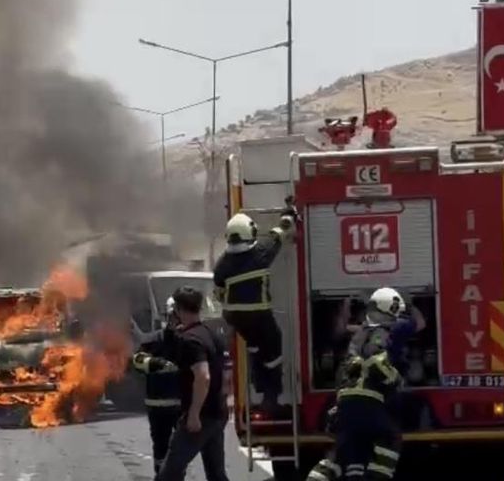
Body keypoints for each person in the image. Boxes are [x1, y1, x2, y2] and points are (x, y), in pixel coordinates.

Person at [306, 287, 412, 481]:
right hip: (367, 400)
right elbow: (375, 359)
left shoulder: (359, 334)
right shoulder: (380, 333)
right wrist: (395, 379)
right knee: (390, 438)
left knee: (342, 452)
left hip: (346, 401)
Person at [213, 203, 296, 414]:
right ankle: (271, 395)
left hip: (235, 318)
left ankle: (258, 383)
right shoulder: (260, 253)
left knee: (255, 346)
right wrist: (288, 216)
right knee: (273, 347)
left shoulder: (223, 263)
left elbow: (218, 286)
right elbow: (278, 234)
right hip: (258, 314)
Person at [155, 286, 230, 481]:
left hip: (201, 417)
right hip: (217, 413)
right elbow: (226, 374)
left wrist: (194, 414)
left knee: (169, 474)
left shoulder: (190, 340)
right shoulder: (210, 333)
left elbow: (202, 376)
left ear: (178, 310)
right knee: (216, 474)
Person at [131, 297, 183, 476]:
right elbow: (137, 360)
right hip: (158, 406)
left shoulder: (190, 341)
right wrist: (156, 363)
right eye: (172, 316)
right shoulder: (154, 340)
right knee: (160, 448)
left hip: (182, 406)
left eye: (178, 316)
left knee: (180, 450)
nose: (175, 321)